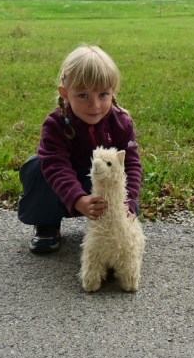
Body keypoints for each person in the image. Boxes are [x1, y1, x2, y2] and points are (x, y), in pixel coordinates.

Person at [17, 44, 142, 254]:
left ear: (113, 92)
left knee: (126, 207)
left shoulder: (121, 122)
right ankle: (47, 224)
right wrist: (78, 200)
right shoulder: (55, 124)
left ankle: (112, 233)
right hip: (63, 186)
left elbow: (130, 164)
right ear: (65, 93)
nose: (95, 105)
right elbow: (56, 167)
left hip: (102, 185)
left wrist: (127, 202)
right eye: (83, 95)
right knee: (38, 166)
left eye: (103, 94)